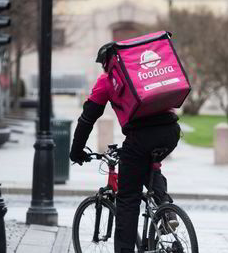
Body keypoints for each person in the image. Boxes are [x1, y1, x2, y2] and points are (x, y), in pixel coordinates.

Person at [69, 43, 181, 253]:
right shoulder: (143, 73)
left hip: (140, 137)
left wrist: (76, 151)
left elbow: (87, 119)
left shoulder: (107, 80)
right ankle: (166, 211)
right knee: (150, 165)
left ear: (106, 63)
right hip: (171, 131)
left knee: (127, 199)